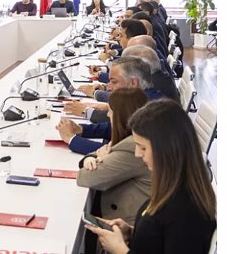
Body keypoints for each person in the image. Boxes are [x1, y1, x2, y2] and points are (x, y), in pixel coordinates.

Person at [86, 100, 216, 254]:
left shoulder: (185, 212)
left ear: (167, 150)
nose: (137, 154)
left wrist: (120, 250)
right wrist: (132, 233)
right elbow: (162, 239)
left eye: (143, 147)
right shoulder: (173, 188)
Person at [58, 57, 162, 154]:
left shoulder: (148, 110)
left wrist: (71, 139)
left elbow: (121, 153)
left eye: (114, 82)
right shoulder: (139, 100)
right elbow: (118, 128)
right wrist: (82, 129)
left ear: (133, 82)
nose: (108, 87)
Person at [77, 88, 150, 225]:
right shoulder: (132, 137)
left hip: (126, 224)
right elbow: (101, 151)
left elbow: (85, 178)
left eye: (110, 111)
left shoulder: (132, 146)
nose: (108, 115)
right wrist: (90, 158)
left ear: (121, 115)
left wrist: (99, 158)